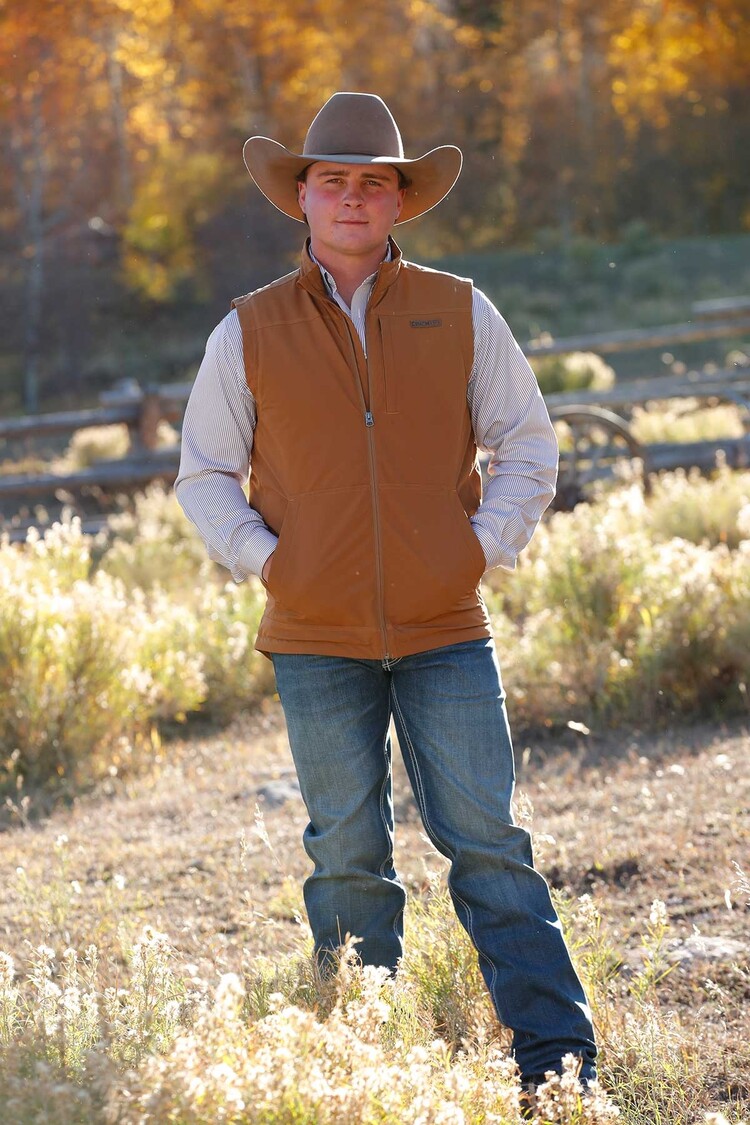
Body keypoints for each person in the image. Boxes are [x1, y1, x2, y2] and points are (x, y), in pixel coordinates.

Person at [175, 91, 598, 1094]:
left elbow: (527, 446)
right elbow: (204, 473)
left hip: (447, 627)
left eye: (375, 182)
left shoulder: (460, 309)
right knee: (348, 856)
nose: (355, 197)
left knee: (489, 846)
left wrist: (479, 551)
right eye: (335, 180)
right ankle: (366, 1063)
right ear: (304, 197)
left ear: (401, 200)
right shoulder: (249, 329)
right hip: (314, 638)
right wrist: (272, 563)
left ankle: (561, 1063)